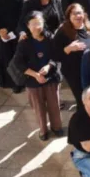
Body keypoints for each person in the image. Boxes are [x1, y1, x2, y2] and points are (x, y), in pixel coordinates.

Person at [11, 11, 63, 140]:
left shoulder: (50, 38)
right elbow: (18, 62)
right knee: (38, 108)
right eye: (33, 24)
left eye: (39, 23)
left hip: (50, 78)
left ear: (43, 23)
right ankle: (43, 130)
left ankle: (56, 127)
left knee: (54, 105)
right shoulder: (24, 42)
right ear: (28, 26)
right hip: (33, 81)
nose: (37, 27)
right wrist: (35, 75)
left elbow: (56, 56)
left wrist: (48, 66)